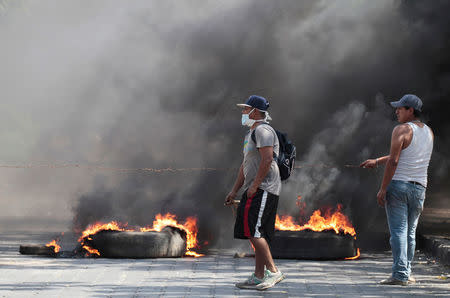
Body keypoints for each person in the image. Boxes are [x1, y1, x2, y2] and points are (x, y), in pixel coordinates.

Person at [360, 94, 433, 286]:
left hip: (399, 186)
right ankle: (406, 272)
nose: (397, 111)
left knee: (399, 232)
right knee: (410, 232)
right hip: (420, 188)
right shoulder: (428, 132)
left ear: (411, 110)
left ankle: (399, 274)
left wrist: (383, 188)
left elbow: (394, 160)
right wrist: (376, 161)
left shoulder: (401, 129)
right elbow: (402, 155)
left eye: (401, 108)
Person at [224, 95, 284, 290]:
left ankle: (273, 272)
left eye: (245, 109)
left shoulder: (263, 130)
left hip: (264, 188)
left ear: (255, 112)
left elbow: (267, 160)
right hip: (255, 189)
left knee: (254, 231)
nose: (243, 113)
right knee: (255, 231)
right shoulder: (251, 133)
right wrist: (234, 191)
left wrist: (255, 185)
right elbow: (245, 165)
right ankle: (259, 275)